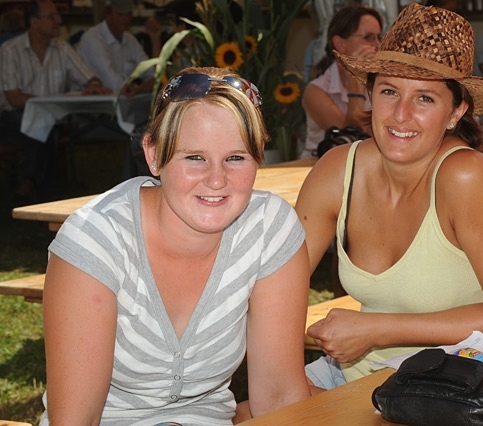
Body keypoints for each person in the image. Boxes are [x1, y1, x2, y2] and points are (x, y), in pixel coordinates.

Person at [39, 66, 312, 425]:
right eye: (194, 157)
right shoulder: (96, 239)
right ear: (153, 154)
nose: (217, 179)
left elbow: (279, 397)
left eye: (235, 157)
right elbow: (75, 420)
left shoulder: (269, 228)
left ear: (259, 155)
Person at [295, 3, 483, 390]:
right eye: (389, 91)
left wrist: (377, 329)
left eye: (425, 98)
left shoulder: (467, 178)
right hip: (353, 376)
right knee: (246, 414)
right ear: (369, 94)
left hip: (454, 388)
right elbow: (279, 290)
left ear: (456, 112)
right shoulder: (338, 170)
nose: (400, 115)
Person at [0, 0, 110, 202]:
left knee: (47, 125)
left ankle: (31, 183)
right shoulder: (10, 50)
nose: (59, 20)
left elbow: (89, 77)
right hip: (12, 118)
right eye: (51, 16)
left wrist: (93, 85)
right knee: (45, 125)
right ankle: (47, 190)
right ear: (34, 22)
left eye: (57, 15)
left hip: (52, 120)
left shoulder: (62, 49)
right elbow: (13, 98)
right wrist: (46, 105)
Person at [299, 3, 383, 158]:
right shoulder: (315, 91)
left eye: (379, 37)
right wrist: (356, 83)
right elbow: (352, 136)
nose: (377, 45)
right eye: (368, 38)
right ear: (340, 44)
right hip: (320, 166)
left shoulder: (381, 83)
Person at [76, 0, 158, 96]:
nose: (126, 18)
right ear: (108, 14)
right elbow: (114, 84)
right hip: (89, 104)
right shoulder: (92, 38)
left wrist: (155, 40)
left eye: (129, 14)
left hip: (117, 102)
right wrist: (140, 88)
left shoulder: (129, 39)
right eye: (120, 14)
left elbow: (154, 75)